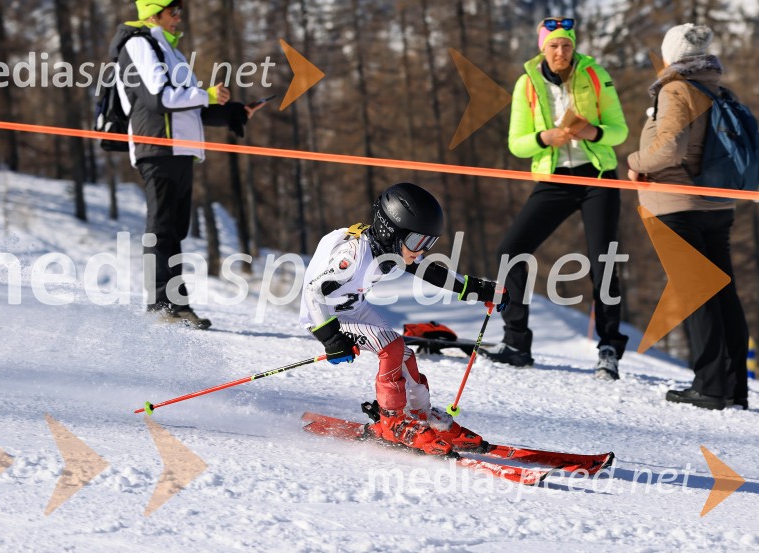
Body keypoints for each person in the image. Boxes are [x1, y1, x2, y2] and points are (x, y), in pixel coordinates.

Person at [299, 183, 510, 455]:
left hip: (354, 307)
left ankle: (421, 417)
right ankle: (392, 422)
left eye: (428, 243)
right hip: (327, 316)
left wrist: (480, 289)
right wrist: (330, 338)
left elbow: (430, 271)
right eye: (416, 242)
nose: (420, 250)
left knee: (405, 355)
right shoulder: (352, 257)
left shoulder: (389, 247)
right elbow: (313, 292)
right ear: (390, 231)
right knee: (392, 347)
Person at [484, 16, 629, 380]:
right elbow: (516, 143)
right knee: (510, 249)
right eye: (554, 45)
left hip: (598, 177)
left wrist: (593, 131)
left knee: (604, 261)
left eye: (566, 45)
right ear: (542, 48)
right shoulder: (526, 84)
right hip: (555, 178)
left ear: (574, 46)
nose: (561, 52)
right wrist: (543, 138)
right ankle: (516, 342)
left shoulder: (595, 74)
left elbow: (619, 130)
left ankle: (608, 348)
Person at [113, 0, 262, 329]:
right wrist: (206, 95)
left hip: (181, 150)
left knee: (175, 231)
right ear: (154, 13)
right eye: (173, 10)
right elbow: (159, 97)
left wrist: (233, 111)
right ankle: (158, 306)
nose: (179, 16)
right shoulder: (139, 44)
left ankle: (178, 306)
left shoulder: (172, 51)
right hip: (157, 147)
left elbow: (192, 106)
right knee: (161, 228)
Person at [627, 24, 749, 410]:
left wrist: (634, 162)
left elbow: (668, 150)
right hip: (718, 205)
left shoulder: (676, 88)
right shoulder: (717, 88)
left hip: (677, 205)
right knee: (723, 293)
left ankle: (709, 387)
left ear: (671, 56)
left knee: (697, 294)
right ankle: (733, 387)